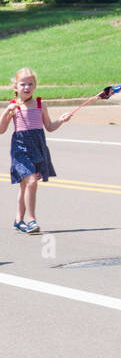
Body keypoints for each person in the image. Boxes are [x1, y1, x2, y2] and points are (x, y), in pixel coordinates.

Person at [3, 68, 73, 234]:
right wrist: (6, 112)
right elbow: (1, 129)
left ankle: (18, 220)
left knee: (25, 186)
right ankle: (31, 219)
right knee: (32, 182)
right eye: (23, 84)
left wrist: (61, 121)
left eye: (30, 84)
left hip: (37, 148)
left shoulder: (41, 105)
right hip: (20, 150)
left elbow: (49, 127)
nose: (26, 87)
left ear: (35, 86)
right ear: (15, 87)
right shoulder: (13, 107)